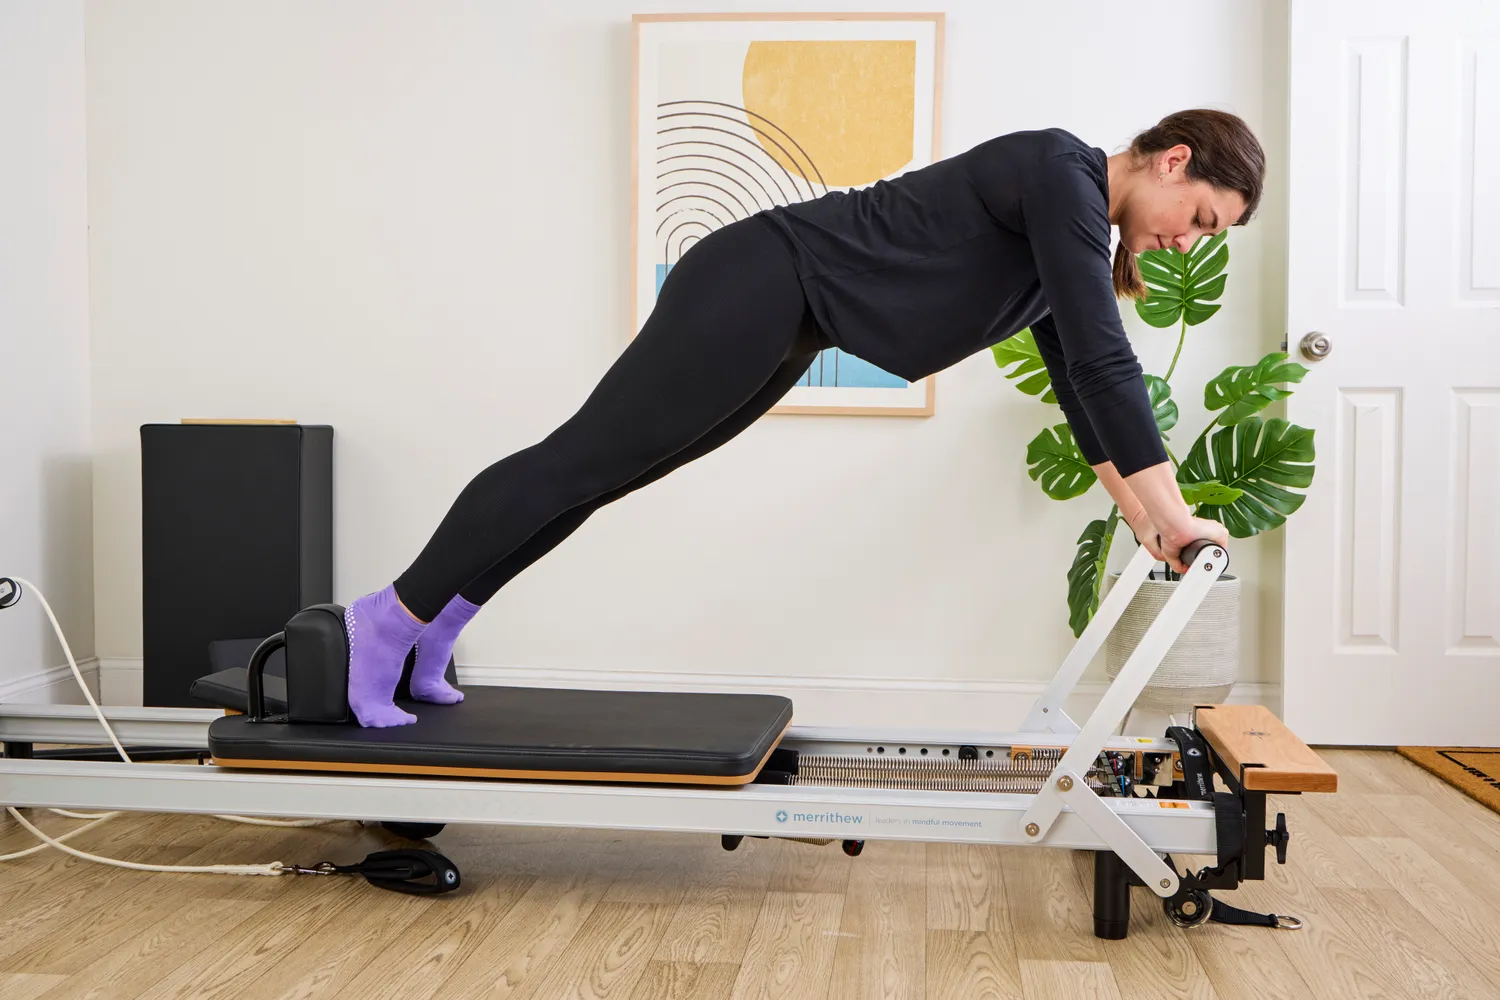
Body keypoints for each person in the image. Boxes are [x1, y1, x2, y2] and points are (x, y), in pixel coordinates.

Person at [343, 108, 1261, 727]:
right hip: (761, 279)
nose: (1188, 241)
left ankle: (441, 620)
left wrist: (1144, 520)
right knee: (578, 460)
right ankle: (386, 618)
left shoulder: (1070, 240)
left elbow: (1083, 392)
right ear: (1174, 160)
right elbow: (1107, 365)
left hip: (792, 319)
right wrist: (1178, 515)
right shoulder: (1061, 170)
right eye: (1201, 218)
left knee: (607, 475)